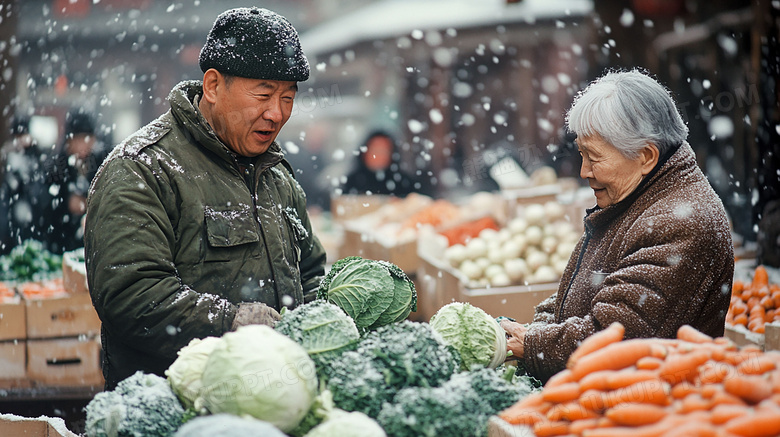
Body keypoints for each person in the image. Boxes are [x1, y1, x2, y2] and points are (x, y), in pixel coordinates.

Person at [84, 7, 327, 389]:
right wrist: (228, 322)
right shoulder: (143, 169)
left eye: (288, 98)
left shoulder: (275, 172)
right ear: (213, 86)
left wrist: (322, 322)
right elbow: (130, 294)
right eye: (263, 95)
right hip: (177, 405)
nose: (277, 114)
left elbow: (311, 270)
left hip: (275, 397)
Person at [501, 70, 734, 383]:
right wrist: (539, 329)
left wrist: (535, 343)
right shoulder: (635, 200)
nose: (584, 171)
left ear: (645, 156)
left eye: (593, 157)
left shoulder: (680, 223)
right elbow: (586, 295)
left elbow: (616, 335)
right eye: (581, 155)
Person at [43, 109, 109, 254]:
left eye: (86, 139)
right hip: (62, 240)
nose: (82, 146)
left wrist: (89, 203)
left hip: (94, 243)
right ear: (68, 141)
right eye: (77, 140)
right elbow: (45, 203)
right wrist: (66, 201)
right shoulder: (57, 166)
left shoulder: (100, 162)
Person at [0, 115, 48, 253]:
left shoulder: (38, 156)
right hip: (11, 225)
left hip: (34, 223)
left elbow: (40, 191)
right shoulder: (8, 157)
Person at [340, 129, 419, 197]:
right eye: (375, 150)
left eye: (383, 151)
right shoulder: (352, 182)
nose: (378, 155)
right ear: (364, 153)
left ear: (392, 154)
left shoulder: (404, 184)